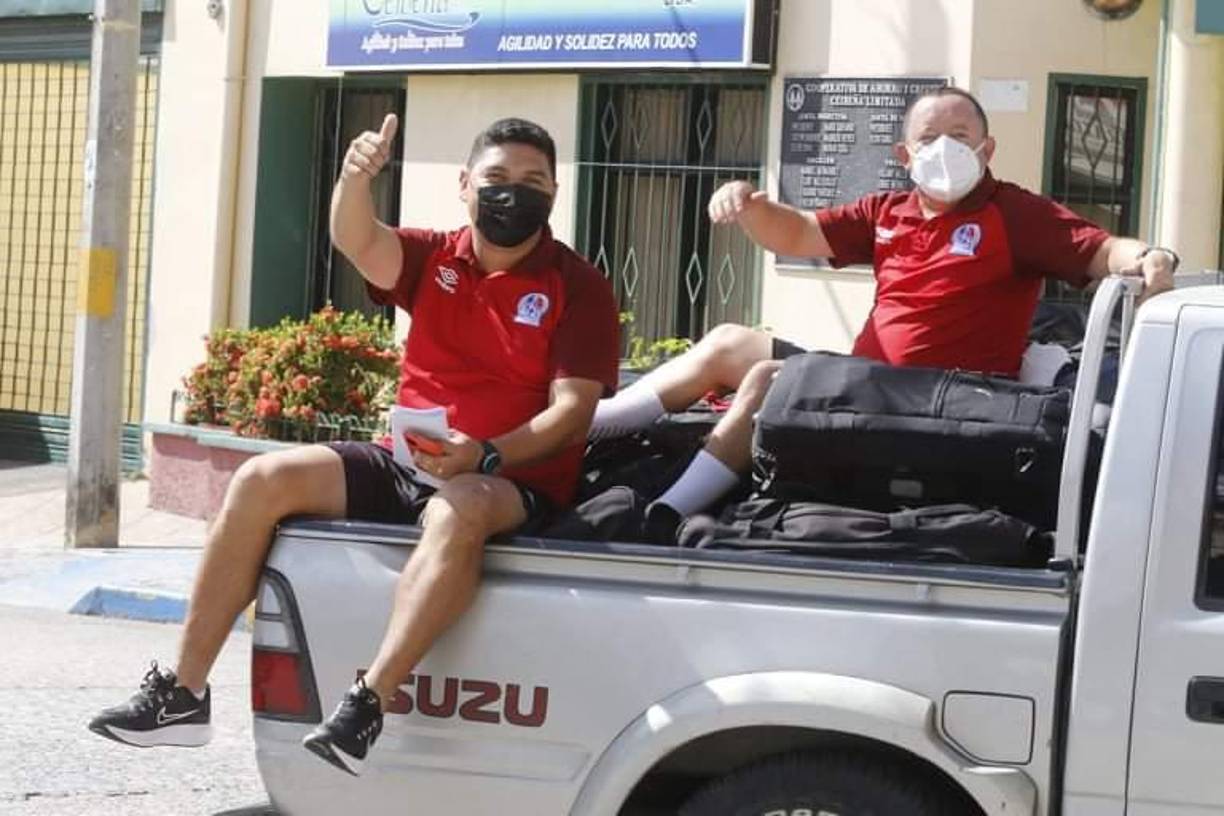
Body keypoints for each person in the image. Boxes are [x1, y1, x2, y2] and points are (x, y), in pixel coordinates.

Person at [88, 116, 619, 776]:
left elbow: (571, 416)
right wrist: (354, 177)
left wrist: (484, 453)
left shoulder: (579, 287)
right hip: (408, 458)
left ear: (555, 193)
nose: (515, 193)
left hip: (507, 477)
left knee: (460, 508)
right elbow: (358, 239)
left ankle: (369, 701)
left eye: (532, 182)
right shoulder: (434, 257)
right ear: (465, 186)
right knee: (259, 481)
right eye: (498, 179)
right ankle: (183, 694)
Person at [590, 86, 1177, 531]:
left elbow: (1100, 249)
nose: (945, 148)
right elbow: (797, 233)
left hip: (940, 403)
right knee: (728, 342)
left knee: (770, 380)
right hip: (868, 383)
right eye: (929, 138)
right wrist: (745, 205)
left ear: (987, 147)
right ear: (904, 152)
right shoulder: (886, 211)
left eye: (961, 135)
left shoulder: (1012, 213)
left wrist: (1149, 256)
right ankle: (598, 422)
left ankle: (667, 512)